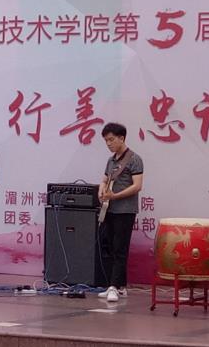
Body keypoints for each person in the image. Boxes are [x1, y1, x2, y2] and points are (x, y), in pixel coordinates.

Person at [97, 122, 143, 303]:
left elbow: (137, 186)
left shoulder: (134, 159)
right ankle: (120, 286)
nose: (108, 144)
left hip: (125, 210)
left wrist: (115, 196)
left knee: (120, 248)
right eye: (106, 141)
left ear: (121, 138)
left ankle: (113, 286)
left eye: (111, 140)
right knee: (109, 246)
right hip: (109, 209)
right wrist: (101, 191)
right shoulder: (111, 160)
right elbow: (104, 180)